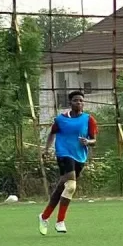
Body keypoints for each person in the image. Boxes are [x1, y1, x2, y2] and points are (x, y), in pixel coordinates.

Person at [39, 90, 97, 235]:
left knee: (62, 187)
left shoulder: (89, 119)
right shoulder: (61, 119)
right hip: (63, 154)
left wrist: (88, 141)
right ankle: (60, 221)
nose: (79, 103)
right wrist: (47, 149)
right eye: (76, 100)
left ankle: (44, 216)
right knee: (71, 186)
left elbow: (94, 140)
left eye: (81, 101)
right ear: (70, 102)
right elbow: (52, 133)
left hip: (80, 157)